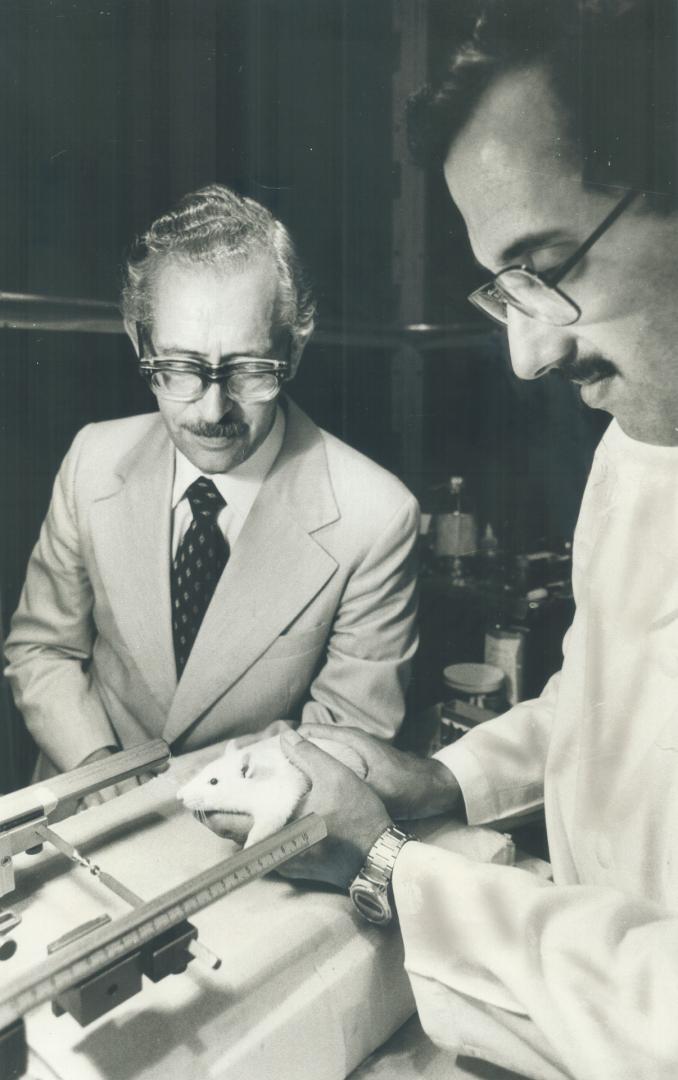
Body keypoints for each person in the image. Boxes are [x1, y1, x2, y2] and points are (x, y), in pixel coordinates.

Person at [245, 3, 678, 1078]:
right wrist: (439, 784)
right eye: (507, 288)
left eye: (548, 261)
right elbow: (603, 704)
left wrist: (393, 866)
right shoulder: (643, 439)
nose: (531, 357)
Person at [4, 184, 419, 790]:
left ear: (295, 349)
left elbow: (346, 736)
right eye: (178, 368)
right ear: (137, 341)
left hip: (250, 832)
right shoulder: (93, 457)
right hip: (82, 795)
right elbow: (43, 652)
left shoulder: (377, 515)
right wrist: (98, 771)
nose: (212, 410)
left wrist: (173, 798)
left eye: (250, 369)